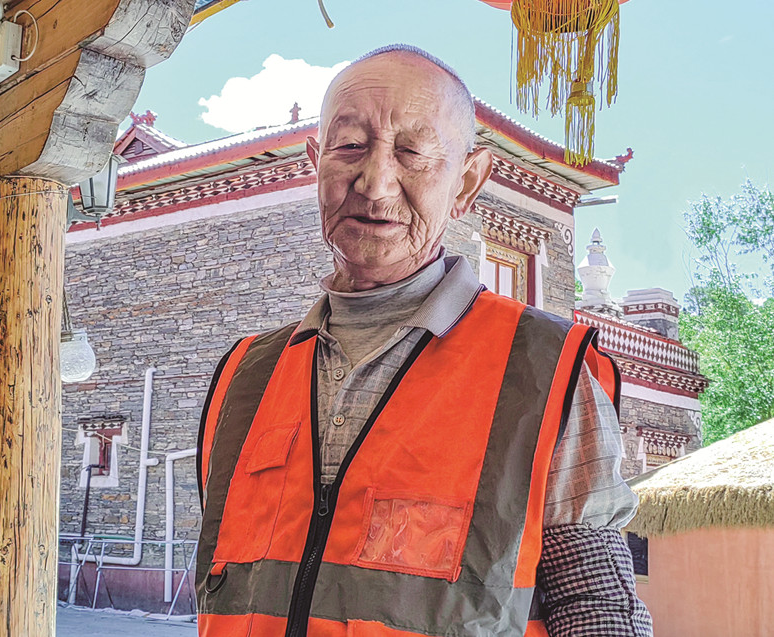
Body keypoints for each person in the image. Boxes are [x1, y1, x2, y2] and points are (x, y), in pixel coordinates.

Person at [195, 44, 653, 637]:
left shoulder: (542, 371)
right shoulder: (244, 378)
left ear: (467, 183)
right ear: (316, 164)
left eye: (412, 152)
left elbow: (597, 610)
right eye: (349, 146)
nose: (375, 181)